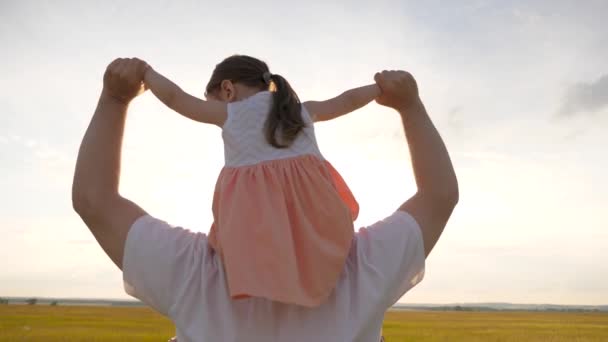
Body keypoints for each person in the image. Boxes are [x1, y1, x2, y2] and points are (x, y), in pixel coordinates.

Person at [72, 57, 458, 341]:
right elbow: (439, 196)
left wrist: (120, 94)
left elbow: (94, 199)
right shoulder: (363, 272)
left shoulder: (195, 277)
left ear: (226, 90)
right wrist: (403, 101)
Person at [141, 54, 379, 307]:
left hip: (257, 228)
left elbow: (175, 98)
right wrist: (380, 87)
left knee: (241, 244)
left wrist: (146, 73)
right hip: (318, 218)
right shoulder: (300, 110)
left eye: (211, 101)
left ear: (227, 89)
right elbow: (348, 99)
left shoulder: (230, 112)